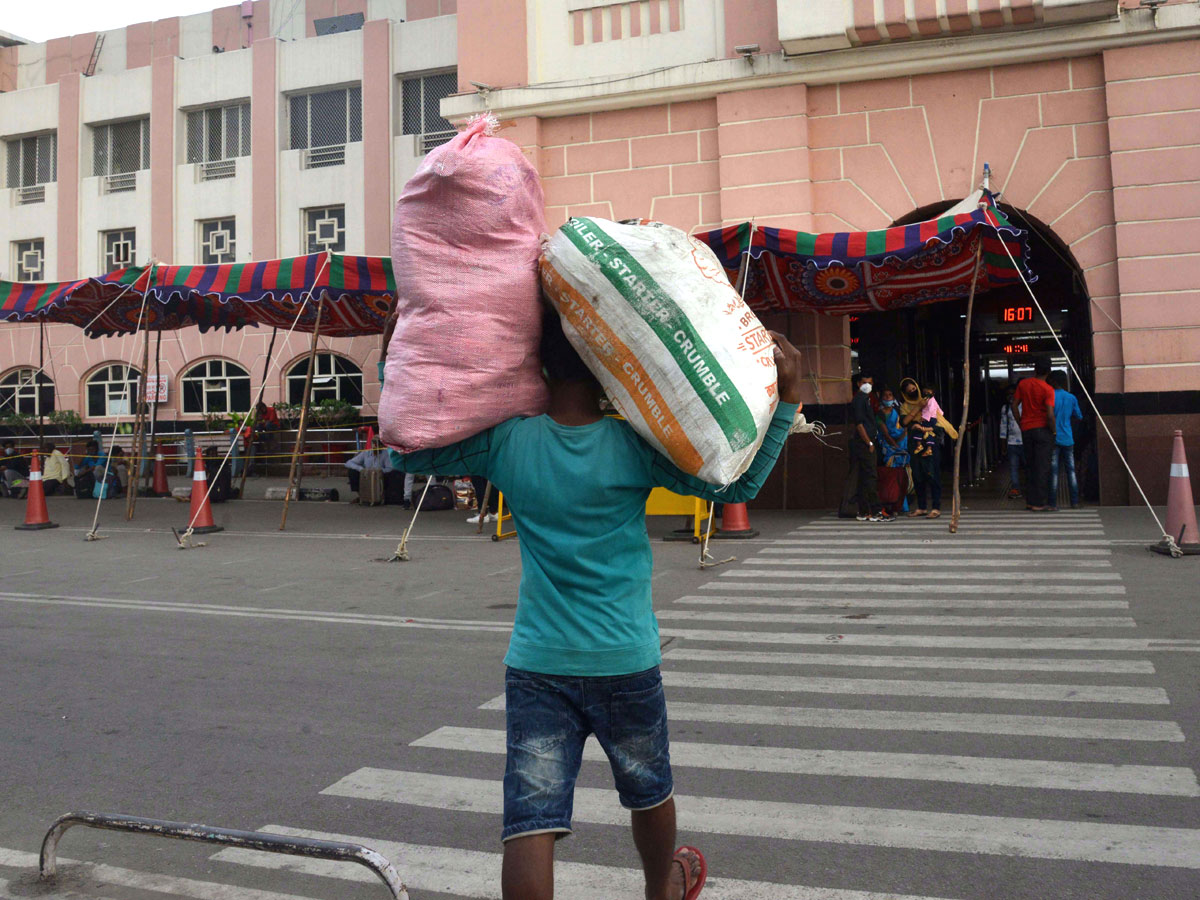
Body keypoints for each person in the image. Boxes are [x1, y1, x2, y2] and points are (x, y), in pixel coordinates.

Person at [388, 311, 805, 900]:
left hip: (538, 663)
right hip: (625, 659)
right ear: (610, 368)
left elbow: (406, 453)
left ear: (538, 364)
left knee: (531, 822)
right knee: (650, 790)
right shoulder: (633, 446)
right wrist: (788, 397)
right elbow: (737, 487)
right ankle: (661, 891)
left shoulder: (507, 441)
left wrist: (394, 362)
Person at [839, 373, 892, 522]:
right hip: (864, 443)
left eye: (870, 382)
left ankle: (863, 511)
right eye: (864, 382)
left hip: (866, 442)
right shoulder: (859, 400)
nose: (867, 385)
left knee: (863, 477)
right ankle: (875, 511)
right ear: (858, 384)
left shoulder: (866, 399)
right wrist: (869, 443)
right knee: (870, 476)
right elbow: (860, 424)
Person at [1014, 356, 1057, 511]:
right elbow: (1050, 415)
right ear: (1049, 371)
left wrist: (1021, 423)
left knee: (1030, 466)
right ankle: (1039, 503)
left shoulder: (1023, 384)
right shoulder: (1048, 389)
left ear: (1035, 369)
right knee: (1042, 467)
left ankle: (1030, 501)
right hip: (1043, 430)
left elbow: (1014, 406)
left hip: (1027, 430)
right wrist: (1053, 430)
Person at [1047, 370, 1083, 509]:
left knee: (1054, 471)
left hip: (1053, 437)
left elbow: (1047, 416)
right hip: (1068, 438)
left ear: (1053, 382)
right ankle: (1074, 502)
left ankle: (1052, 503)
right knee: (1071, 470)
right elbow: (1078, 415)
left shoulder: (1049, 397)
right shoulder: (1071, 397)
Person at [344, 442, 413, 507]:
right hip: (367, 475)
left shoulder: (386, 453)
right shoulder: (366, 452)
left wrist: (378, 471)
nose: (375, 446)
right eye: (373, 444)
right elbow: (349, 463)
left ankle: (387, 496)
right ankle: (361, 495)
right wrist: (361, 469)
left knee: (395, 474)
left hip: (381, 475)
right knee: (353, 472)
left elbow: (390, 468)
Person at [875, 388, 910, 515]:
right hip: (890, 450)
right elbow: (886, 435)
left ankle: (902, 505)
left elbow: (904, 429)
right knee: (892, 478)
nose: (888, 398)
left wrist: (901, 445)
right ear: (882, 398)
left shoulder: (898, 412)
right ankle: (893, 505)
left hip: (901, 448)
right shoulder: (880, 415)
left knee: (902, 477)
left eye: (890, 395)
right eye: (885, 396)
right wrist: (896, 447)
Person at [998, 385, 1024, 499]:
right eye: (1008, 394)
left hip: (1025, 441)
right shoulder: (1006, 408)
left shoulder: (1025, 405)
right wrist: (1003, 444)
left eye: (1013, 393)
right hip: (1012, 442)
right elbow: (1003, 427)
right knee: (1013, 467)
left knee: (1028, 466)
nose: (1011, 396)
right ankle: (1015, 488)